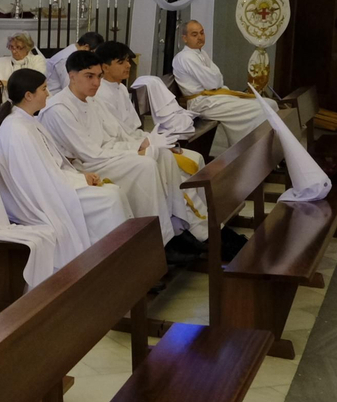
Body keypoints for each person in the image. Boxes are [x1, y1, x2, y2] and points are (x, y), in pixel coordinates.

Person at [40, 51, 210, 263]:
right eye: (89, 76)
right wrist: (136, 152)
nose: (96, 83)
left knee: (163, 156)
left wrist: (144, 144)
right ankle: (157, 242)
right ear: (71, 75)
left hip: (106, 156)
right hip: (83, 167)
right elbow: (89, 153)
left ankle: (176, 229)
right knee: (144, 165)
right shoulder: (59, 109)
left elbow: (117, 133)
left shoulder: (92, 101)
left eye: (99, 76)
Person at [0, 69, 133, 254]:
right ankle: (106, 261)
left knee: (114, 191)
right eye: (44, 89)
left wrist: (80, 176)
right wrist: (79, 181)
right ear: (28, 95)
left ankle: (120, 262)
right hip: (35, 200)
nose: (48, 93)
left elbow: (49, 166)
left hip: (52, 186)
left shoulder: (27, 121)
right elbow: (36, 180)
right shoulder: (16, 130)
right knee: (108, 199)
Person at [172, 20, 266, 150]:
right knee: (262, 108)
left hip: (213, 97)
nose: (200, 37)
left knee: (267, 104)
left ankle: (259, 149)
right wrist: (213, 80)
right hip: (201, 103)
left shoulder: (201, 53)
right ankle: (250, 151)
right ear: (184, 38)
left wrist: (213, 80)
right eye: (194, 34)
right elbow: (212, 82)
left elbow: (218, 80)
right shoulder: (185, 57)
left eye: (202, 33)